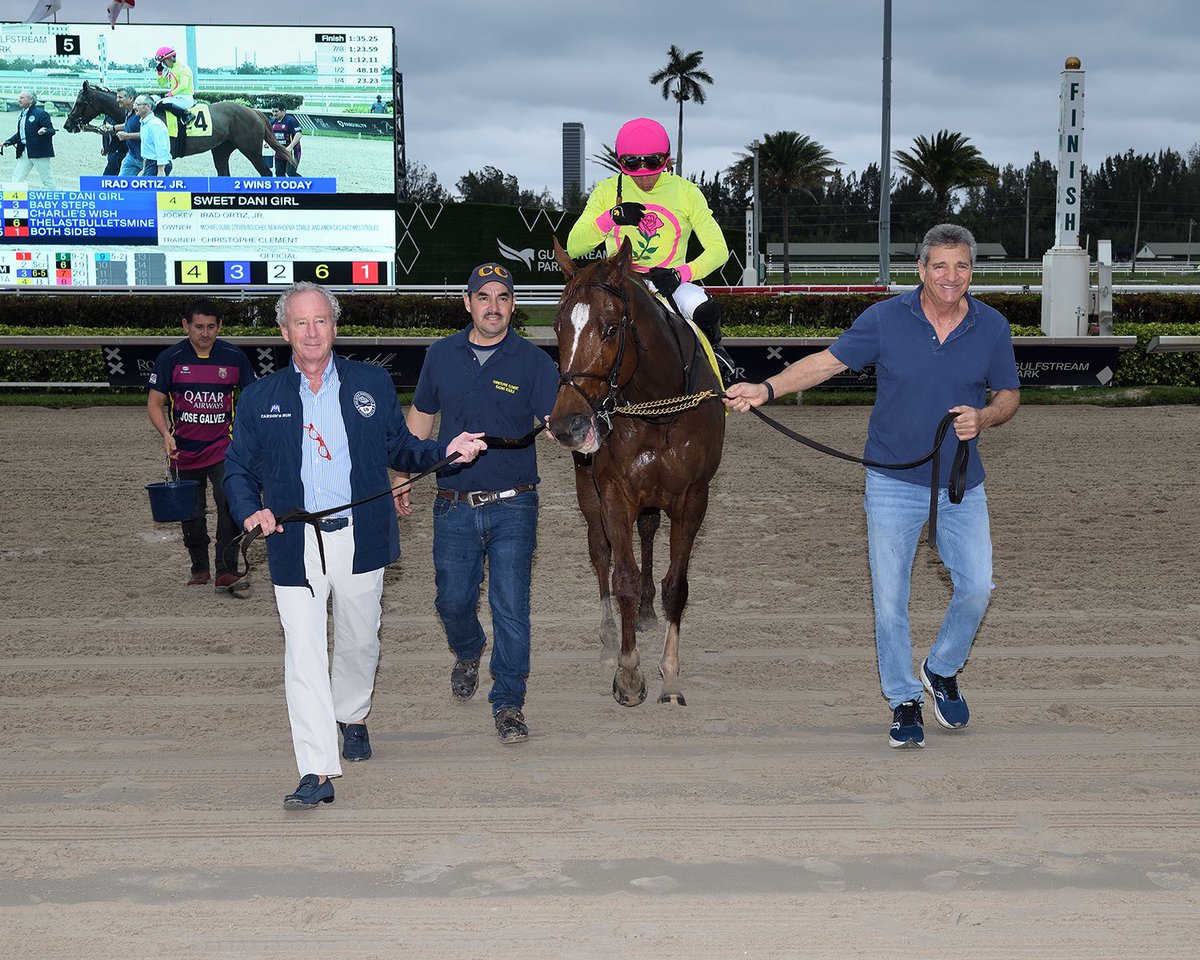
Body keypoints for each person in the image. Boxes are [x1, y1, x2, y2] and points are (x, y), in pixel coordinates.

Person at [724, 224, 1021, 749]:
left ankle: (942, 668)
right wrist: (765, 388)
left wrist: (986, 417)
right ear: (921, 269)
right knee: (890, 600)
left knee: (978, 587)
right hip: (890, 481)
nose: (951, 277)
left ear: (972, 270)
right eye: (940, 266)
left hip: (960, 483)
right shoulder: (886, 318)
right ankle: (904, 700)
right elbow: (826, 363)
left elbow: (1009, 395)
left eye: (961, 267)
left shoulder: (992, 326)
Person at [223, 282, 486, 809]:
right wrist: (249, 508)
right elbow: (237, 468)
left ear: (334, 327)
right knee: (303, 652)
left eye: (321, 320)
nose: (312, 332)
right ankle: (316, 770)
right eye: (301, 323)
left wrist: (446, 452)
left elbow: (402, 449)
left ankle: (353, 713)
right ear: (284, 332)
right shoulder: (260, 397)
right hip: (294, 542)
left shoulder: (371, 384)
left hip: (360, 535)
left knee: (359, 640)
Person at [397, 263, 558, 745]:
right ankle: (468, 651)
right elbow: (423, 414)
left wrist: (567, 426)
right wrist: (402, 472)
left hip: (515, 504)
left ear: (513, 306)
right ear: (468, 303)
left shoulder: (534, 362)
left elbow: (557, 420)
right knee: (452, 601)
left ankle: (508, 701)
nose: (493, 305)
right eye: (483, 296)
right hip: (452, 503)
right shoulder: (441, 355)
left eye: (503, 298)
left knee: (511, 606)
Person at [567, 116, 734, 379]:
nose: (645, 181)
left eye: (653, 170)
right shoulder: (605, 192)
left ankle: (716, 353)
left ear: (666, 160)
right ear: (621, 163)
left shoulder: (687, 192)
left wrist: (680, 274)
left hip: (669, 284)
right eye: (634, 172)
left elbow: (718, 249)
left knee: (706, 309)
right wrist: (610, 218)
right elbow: (574, 246)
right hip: (620, 284)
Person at [147, 298, 256, 593]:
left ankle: (226, 570)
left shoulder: (234, 357)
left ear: (220, 326)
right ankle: (199, 568)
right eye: (198, 327)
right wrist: (165, 435)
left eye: (211, 327)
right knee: (191, 512)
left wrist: (245, 440)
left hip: (224, 449)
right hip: (183, 452)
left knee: (229, 504)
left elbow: (250, 401)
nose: (205, 333)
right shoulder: (170, 358)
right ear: (186, 326)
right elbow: (155, 403)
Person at [0, 90, 57, 190]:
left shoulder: (41, 114)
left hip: (39, 152)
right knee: (17, 176)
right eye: (19, 98)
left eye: (22, 98)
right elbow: (21, 134)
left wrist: (45, 131)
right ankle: (14, 202)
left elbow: (51, 130)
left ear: (31, 100)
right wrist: (8, 142)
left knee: (47, 178)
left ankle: (56, 199)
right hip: (25, 151)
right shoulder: (22, 115)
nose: (19, 100)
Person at [152, 45, 196, 149]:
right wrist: (159, 72)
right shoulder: (170, 69)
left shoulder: (183, 68)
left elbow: (184, 86)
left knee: (162, 103)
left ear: (171, 58)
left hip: (185, 98)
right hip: (176, 97)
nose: (163, 64)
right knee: (153, 99)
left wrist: (170, 94)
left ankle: (187, 115)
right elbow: (161, 83)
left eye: (164, 61)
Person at [133, 95, 171, 176]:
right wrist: (144, 169)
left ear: (148, 107)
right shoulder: (144, 123)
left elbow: (161, 147)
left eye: (137, 105)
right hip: (150, 164)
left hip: (157, 165)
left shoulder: (155, 124)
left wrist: (161, 170)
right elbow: (146, 149)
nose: (134, 107)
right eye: (134, 104)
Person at [111, 88, 142, 178]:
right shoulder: (127, 111)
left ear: (131, 98)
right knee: (122, 183)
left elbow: (147, 134)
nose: (117, 100)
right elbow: (129, 125)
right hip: (132, 156)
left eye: (120, 97)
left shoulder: (141, 114)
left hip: (146, 158)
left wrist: (127, 136)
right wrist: (113, 128)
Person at [268, 105, 301, 177]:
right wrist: (266, 142)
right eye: (273, 111)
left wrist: (290, 147)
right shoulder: (273, 122)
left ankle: (305, 185)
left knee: (291, 173)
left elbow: (298, 134)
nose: (274, 114)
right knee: (279, 173)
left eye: (276, 111)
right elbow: (268, 134)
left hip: (292, 152)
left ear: (284, 111)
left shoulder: (291, 121)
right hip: (279, 152)